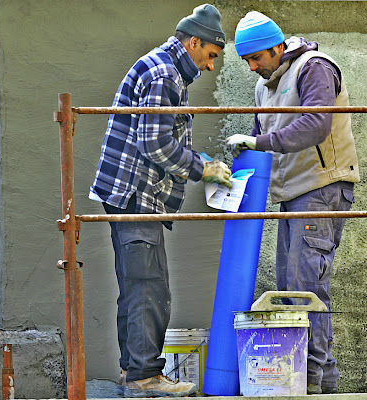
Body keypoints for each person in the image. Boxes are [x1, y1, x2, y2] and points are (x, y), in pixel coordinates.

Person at [89, 4, 231, 398]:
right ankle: (143, 376)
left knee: (139, 284)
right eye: (211, 56)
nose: (210, 67)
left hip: (131, 193)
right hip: (136, 194)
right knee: (148, 286)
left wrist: (197, 163)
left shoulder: (163, 68)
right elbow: (154, 143)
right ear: (194, 42)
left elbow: (156, 137)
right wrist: (200, 168)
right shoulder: (166, 74)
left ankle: (134, 370)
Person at [225, 11, 360, 395]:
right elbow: (256, 141)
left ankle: (312, 382)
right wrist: (228, 177)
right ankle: (317, 377)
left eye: (257, 58)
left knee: (306, 286)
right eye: (246, 61)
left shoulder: (313, 68)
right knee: (291, 287)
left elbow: (317, 123)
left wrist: (259, 142)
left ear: (278, 47)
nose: (252, 67)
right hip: (291, 194)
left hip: (321, 187)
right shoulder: (263, 86)